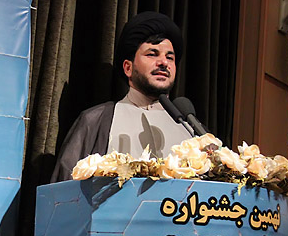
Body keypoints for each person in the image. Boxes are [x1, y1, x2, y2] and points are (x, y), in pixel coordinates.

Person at [51, 11, 197, 182]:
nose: (164, 63)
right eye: (152, 54)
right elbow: (64, 189)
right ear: (128, 67)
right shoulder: (95, 120)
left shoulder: (189, 129)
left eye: (170, 57)